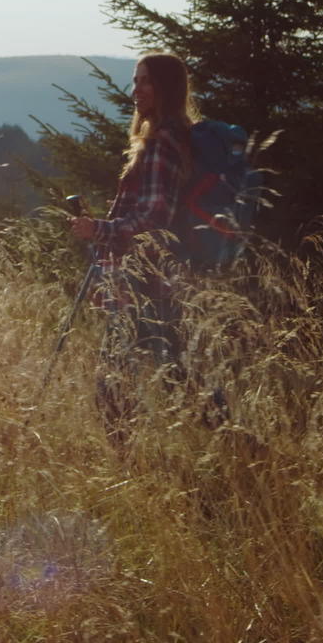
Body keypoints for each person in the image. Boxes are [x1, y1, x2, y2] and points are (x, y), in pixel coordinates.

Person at [68, 52, 198, 439]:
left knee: (118, 380)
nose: (136, 90)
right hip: (144, 279)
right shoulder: (164, 137)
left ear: (166, 88)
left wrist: (100, 229)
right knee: (174, 371)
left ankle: (127, 465)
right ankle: (239, 443)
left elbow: (155, 221)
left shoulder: (163, 143)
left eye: (145, 81)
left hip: (146, 281)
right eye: (135, 80)